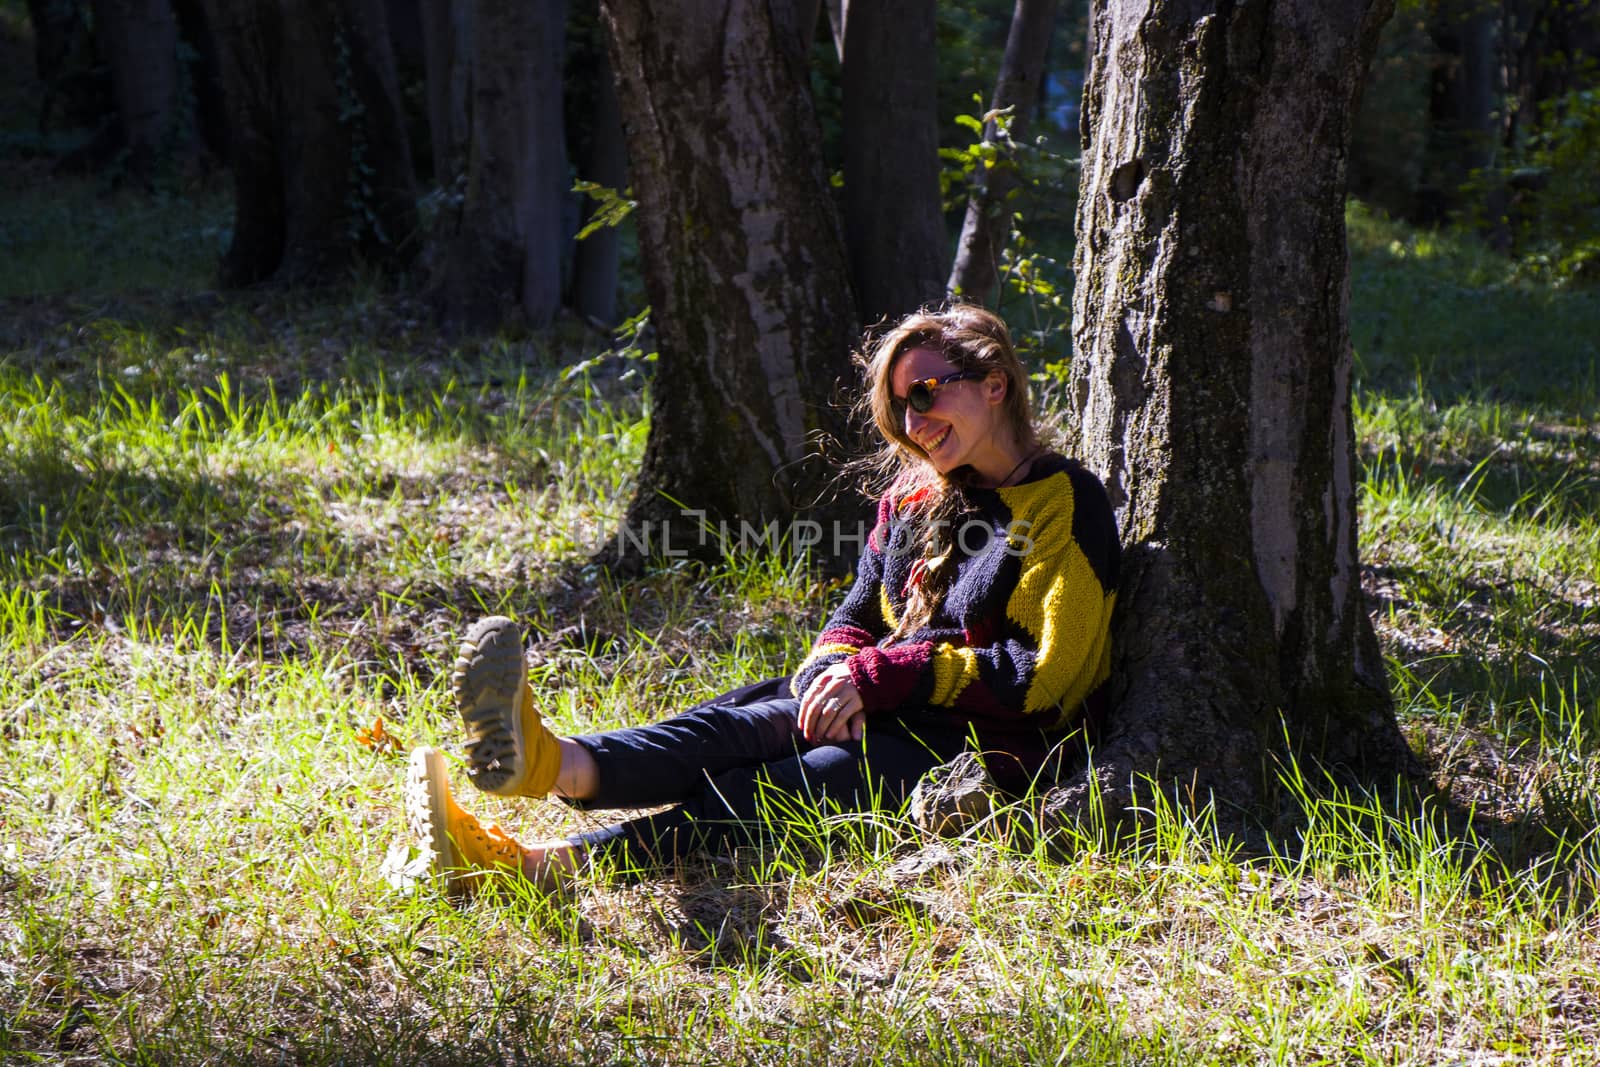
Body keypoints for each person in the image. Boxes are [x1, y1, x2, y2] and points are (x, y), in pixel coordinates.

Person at [403, 304, 1120, 895]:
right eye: (900, 408)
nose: (913, 422)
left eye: (927, 393)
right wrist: (827, 674)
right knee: (729, 729)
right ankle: (546, 761)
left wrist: (880, 677)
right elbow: (857, 613)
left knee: (769, 788)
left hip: (976, 748)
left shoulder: (1062, 502)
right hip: (885, 705)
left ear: (994, 382)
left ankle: (530, 866)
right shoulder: (912, 498)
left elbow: (1045, 676)